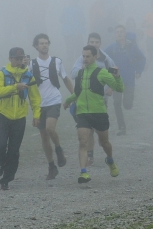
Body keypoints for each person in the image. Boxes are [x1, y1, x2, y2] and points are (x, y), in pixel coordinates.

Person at [62, 45, 124, 184]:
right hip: (83, 113)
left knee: (104, 142)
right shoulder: (80, 74)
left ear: (95, 57)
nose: (85, 59)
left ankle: (110, 160)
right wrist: (67, 101)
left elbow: (120, 88)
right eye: (83, 56)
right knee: (83, 142)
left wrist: (118, 77)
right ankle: (84, 173)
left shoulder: (102, 72)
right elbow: (77, 92)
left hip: (99, 113)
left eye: (88, 56)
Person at [0, 47, 41, 190]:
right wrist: (15, 87)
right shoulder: (2, 74)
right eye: (17, 58)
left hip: (20, 118)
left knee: (14, 150)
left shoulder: (28, 76)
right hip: (3, 115)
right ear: (10, 59)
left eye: (21, 58)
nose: (19, 61)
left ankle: (6, 179)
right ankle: (1, 162)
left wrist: (36, 115)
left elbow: (35, 97)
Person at [30, 34, 73, 180]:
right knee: (43, 134)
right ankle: (51, 166)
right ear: (36, 46)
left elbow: (65, 79)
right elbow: (26, 83)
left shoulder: (56, 61)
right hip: (38, 104)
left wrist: (74, 96)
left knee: (50, 129)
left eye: (46, 43)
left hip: (54, 100)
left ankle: (59, 148)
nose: (44, 45)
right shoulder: (31, 64)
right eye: (41, 43)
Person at [70, 32, 116, 165]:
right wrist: (82, 69)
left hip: (101, 100)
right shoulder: (82, 58)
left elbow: (115, 74)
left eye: (96, 42)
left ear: (100, 44)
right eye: (91, 42)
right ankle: (89, 155)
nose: (94, 44)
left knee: (100, 135)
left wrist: (111, 88)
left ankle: (108, 154)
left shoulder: (106, 59)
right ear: (88, 43)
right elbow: (73, 74)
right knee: (87, 129)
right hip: (83, 101)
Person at [105, 25, 146, 135]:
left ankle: (129, 99)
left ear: (125, 34)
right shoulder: (111, 48)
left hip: (129, 80)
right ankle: (122, 127)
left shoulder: (132, 46)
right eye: (117, 32)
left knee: (127, 105)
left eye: (121, 32)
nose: (119, 33)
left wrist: (139, 71)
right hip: (116, 81)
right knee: (117, 103)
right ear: (114, 34)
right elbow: (103, 60)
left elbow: (142, 58)